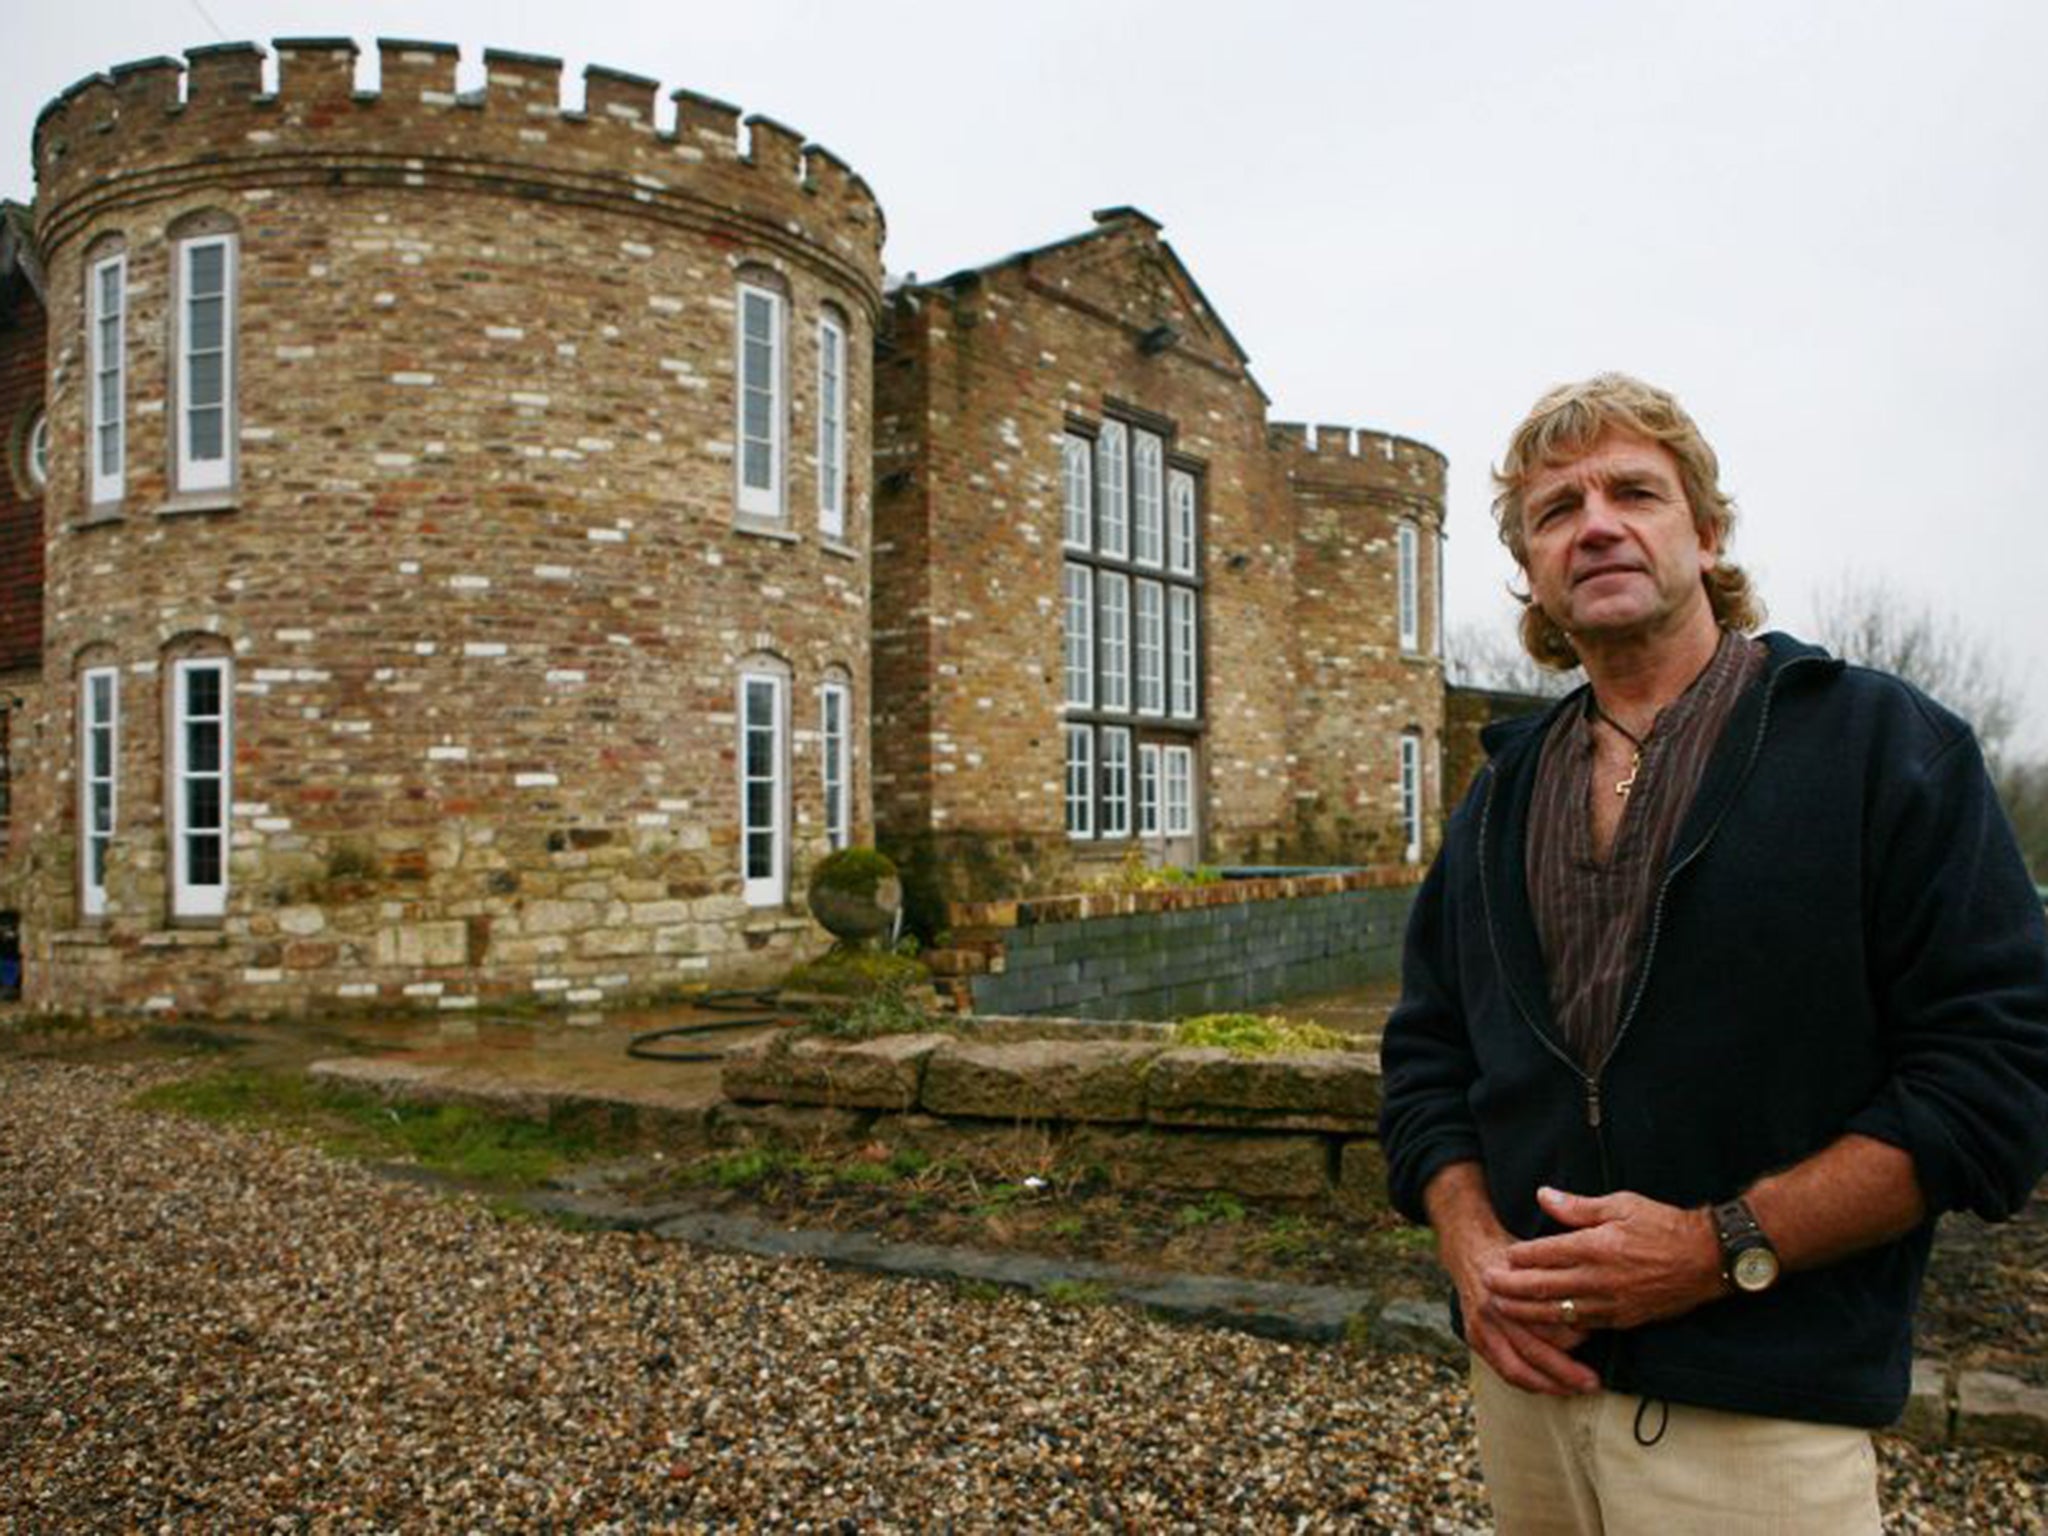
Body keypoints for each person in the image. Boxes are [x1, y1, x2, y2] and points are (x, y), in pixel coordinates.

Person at [1378, 372, 2048, 1532]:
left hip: (1760, 1405)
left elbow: (1996, 1074)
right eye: (1553, 510)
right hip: (1524, 1389)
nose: (1594, 523)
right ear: (1530, 571)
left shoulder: (1879, 747)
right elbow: (1425, 1053)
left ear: (1706, 529)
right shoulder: (1499, 794)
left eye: (1633, 490)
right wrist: (1470, 1248)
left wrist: (1714, 1244)